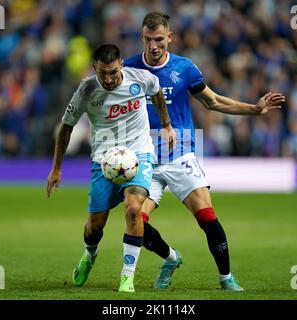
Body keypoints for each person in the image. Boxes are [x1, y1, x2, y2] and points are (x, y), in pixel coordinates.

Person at [123, 11, 286, 291]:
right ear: (142, 37)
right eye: (149, 39)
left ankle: (226, 278)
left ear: (169, 37)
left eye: (159, 39)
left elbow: (212, 102)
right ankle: (170, 258)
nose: (153, 46)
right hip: (145, 159)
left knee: (207, 216)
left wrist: (255, 109)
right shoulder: (127, 69)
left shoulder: (185, 68)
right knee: (135, 216)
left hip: (180, 154)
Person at [46, 44, 175, 293]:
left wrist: (167, 125)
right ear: (95, 68)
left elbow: (157, 93)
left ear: (121, 65)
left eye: (113, 72)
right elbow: (66, 127)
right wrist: (56, 169)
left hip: (139, 154)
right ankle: (89, 254)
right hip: (103, 161)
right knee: (95, 226)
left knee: (134, 208)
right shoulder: (86, 90)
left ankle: (127, 277)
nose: (108, 78)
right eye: (103, 73)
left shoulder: (142, 78)